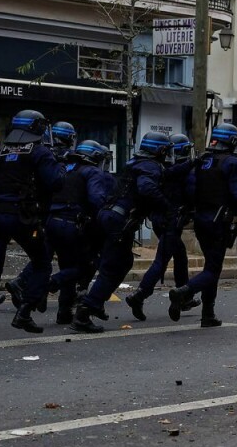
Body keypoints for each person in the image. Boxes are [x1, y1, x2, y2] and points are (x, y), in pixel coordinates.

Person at [0, 110, 64, 346]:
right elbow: (55, 183)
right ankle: (24, 312)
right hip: (24, 217)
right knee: (42, 263)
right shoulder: (40, 152)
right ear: (36, 128)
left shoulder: (2, 151)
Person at [70, 131, 175, 333]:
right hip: (119, 220)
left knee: (122, 262)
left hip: (110, 216)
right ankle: (85, 311)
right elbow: (146, 188)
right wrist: (166, 206)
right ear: (159, 150)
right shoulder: (149, 166)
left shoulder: (135, 163)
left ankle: (94, 302)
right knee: (112, 267)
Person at [168, 123, 237, 327]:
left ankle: (208, 314)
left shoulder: (203, 160)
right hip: (219, 221)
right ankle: (184, 292)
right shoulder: (232, 163)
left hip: (201, 220)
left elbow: (191, 189)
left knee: (212, 268)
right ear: (232, 141)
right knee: (212, 269)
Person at [124, 133, 201, 322]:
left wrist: (193, 162)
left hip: (160, 219)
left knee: (180, 255)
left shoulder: (162, 167)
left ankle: (184, 296)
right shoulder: (171, 172)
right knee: (162, 260)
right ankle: (139, 295)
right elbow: (190, 194)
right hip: (169, 220)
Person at [39, 140, 114, 324]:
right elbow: (97, 200)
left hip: (52, 221)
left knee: (68, 266)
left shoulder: (66, 169)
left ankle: (64, 312)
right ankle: (52, 283)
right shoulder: (93, 172)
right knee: (84, 267)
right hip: (74, 225)